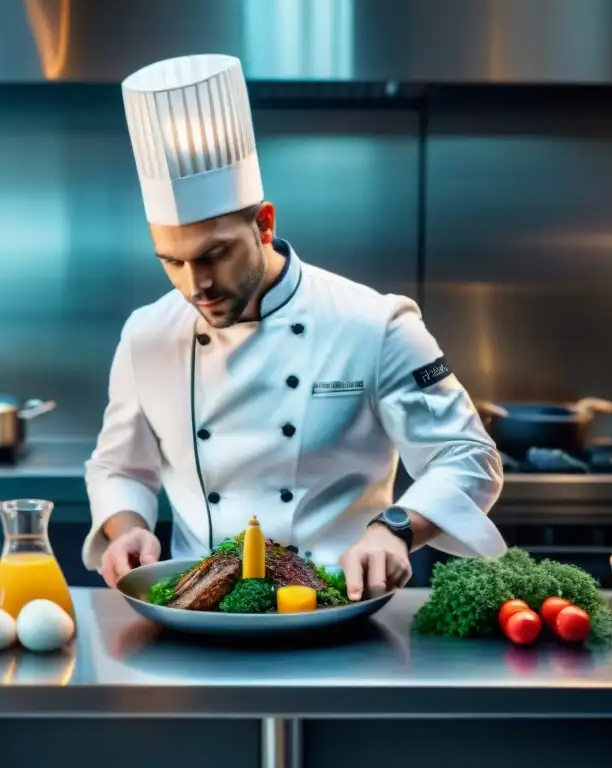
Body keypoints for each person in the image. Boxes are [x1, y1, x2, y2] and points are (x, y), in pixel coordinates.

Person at [82, 53, 506, 601]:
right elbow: (118, 466)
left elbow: (468, 455)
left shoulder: (374, 325)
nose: (196, 285)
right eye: (172, 260)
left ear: (264, 224)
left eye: (215, 254)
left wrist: (396, 530)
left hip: (342, 609)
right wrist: (127, 527)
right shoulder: (146, 334)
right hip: (195, 615)